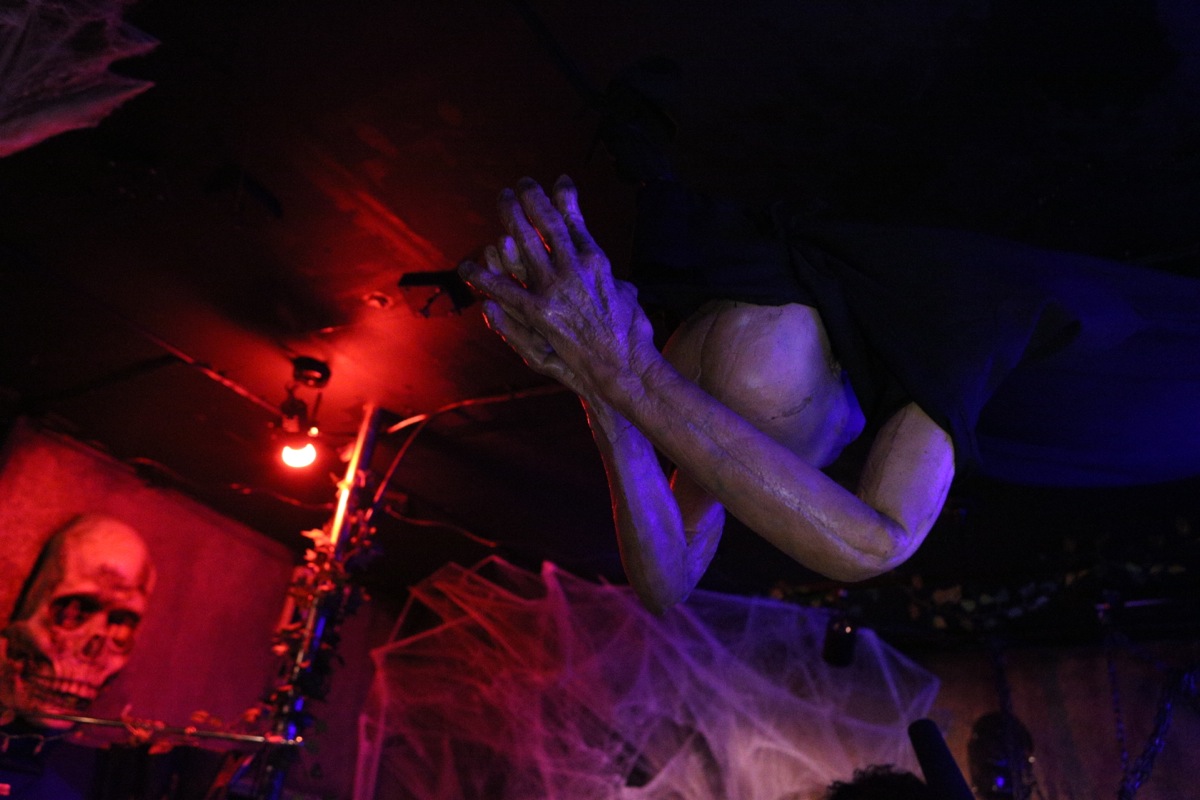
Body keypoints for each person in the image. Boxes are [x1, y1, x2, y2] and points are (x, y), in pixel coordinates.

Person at [456, 171, 1200, 614]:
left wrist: (616, 385)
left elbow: (859, 544)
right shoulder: (913, 347)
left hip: (1105, 362)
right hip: (1102, 371)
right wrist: (612, 385)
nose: (762, 477)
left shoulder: (926, 345)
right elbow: (678, 577)